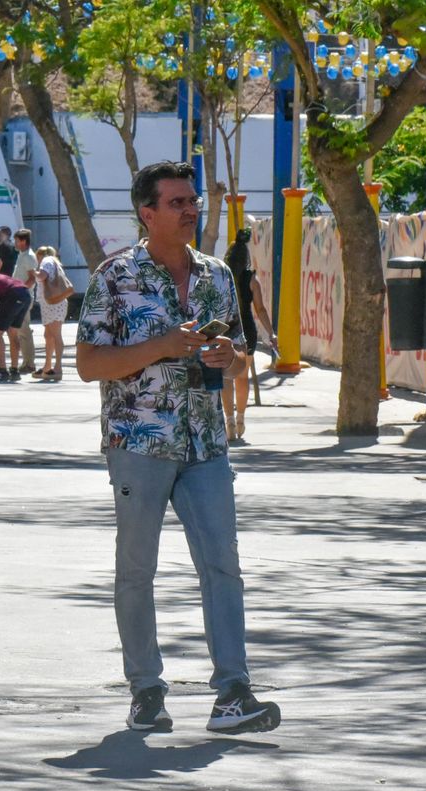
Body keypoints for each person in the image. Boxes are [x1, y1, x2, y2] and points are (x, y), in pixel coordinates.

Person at [75, 161, 281, 737]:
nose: (191, 210)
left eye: (192, 201)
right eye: (177, 203)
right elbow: (90, 364)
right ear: (147, 213)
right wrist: (161, 345)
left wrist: (228, 360)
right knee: (136, 572)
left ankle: (232, 692)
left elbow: (240, 355)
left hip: (205, 441)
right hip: (139, 440)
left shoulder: (217, 274)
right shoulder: (114, 277)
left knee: (223, 568)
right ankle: (146, 691)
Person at [222, 228, 276, 442]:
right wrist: (271, 333)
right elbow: (260, 309)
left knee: (226, 376)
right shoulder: (251, 280)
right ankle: (241, 418)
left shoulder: (221, 277)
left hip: (225, 330)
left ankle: (228, 421)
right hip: (247, 331)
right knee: (242, 377)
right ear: (246, 259)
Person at [32, 246, 73, 382]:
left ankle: (57, 367)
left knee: (55, 334)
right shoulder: (54, 262)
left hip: (53, 303)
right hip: (52, 303)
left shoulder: (47, 261)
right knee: (49, 335)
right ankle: (47, 366)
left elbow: (42, 276)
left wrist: (33, 272)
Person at [0, 270, 31, 381]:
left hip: (12, 295)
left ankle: (2, 371)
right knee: (13, 332)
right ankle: (14, 371)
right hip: (25, 293)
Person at [11, 228, 39, 374]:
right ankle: (27, 361)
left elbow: (32, 278)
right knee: (22, 330)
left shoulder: (28, 257)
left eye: (16, 240)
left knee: (24, 330)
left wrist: (20, 289)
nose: (14, 243)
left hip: (23, 296)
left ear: (23, 241)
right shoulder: (22, 255)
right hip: (20, 295)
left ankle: (29, 363)